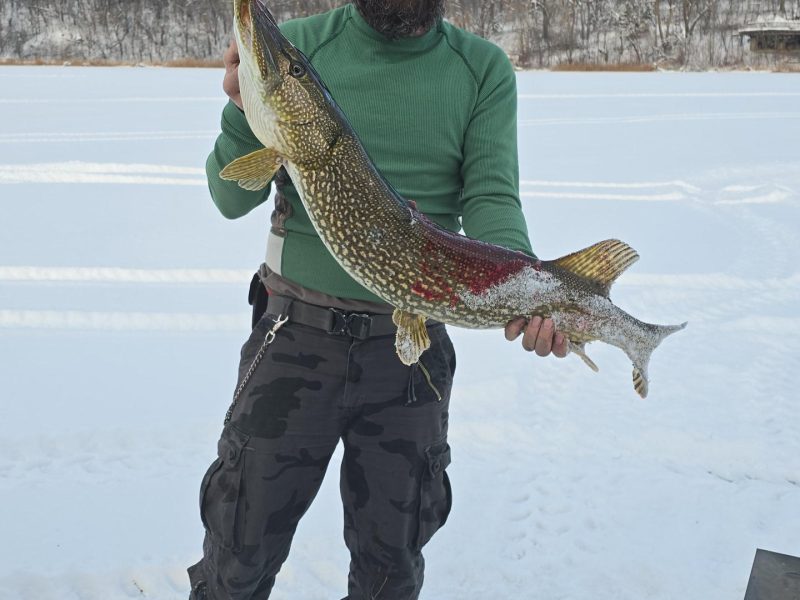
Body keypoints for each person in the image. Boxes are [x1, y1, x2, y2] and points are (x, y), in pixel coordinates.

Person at [188, 1, 568, 599]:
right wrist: (244, 106)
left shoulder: (480, 68)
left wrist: (523, 288)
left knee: (389, 564)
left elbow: (492, 196)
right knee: (240, 546)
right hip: (293, 334)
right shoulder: (299, 49)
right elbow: (228, 198)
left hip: (409, 351)